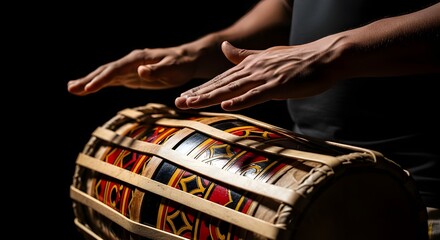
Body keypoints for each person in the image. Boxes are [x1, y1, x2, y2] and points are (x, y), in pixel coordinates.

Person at [67, 0, 440, 238]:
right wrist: (197, 53)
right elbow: (288, 7)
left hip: (420, 200)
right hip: (302, 182)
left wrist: (334, 52)